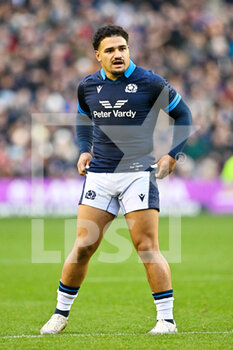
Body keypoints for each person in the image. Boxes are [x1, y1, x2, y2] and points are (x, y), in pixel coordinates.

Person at [40, 25, 192, 335]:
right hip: (99, 175)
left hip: (138, 174)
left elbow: (184, 116)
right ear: (97, 56)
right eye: (110, 50)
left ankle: (166, 320)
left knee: (147, 246)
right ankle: (60, 314)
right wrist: (84, 150)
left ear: (128, 49)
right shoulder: (88, 87)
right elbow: (83, 119)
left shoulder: (150, 82)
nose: (118, 54)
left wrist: (173, 155)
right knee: (83, 246)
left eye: (122, 48)